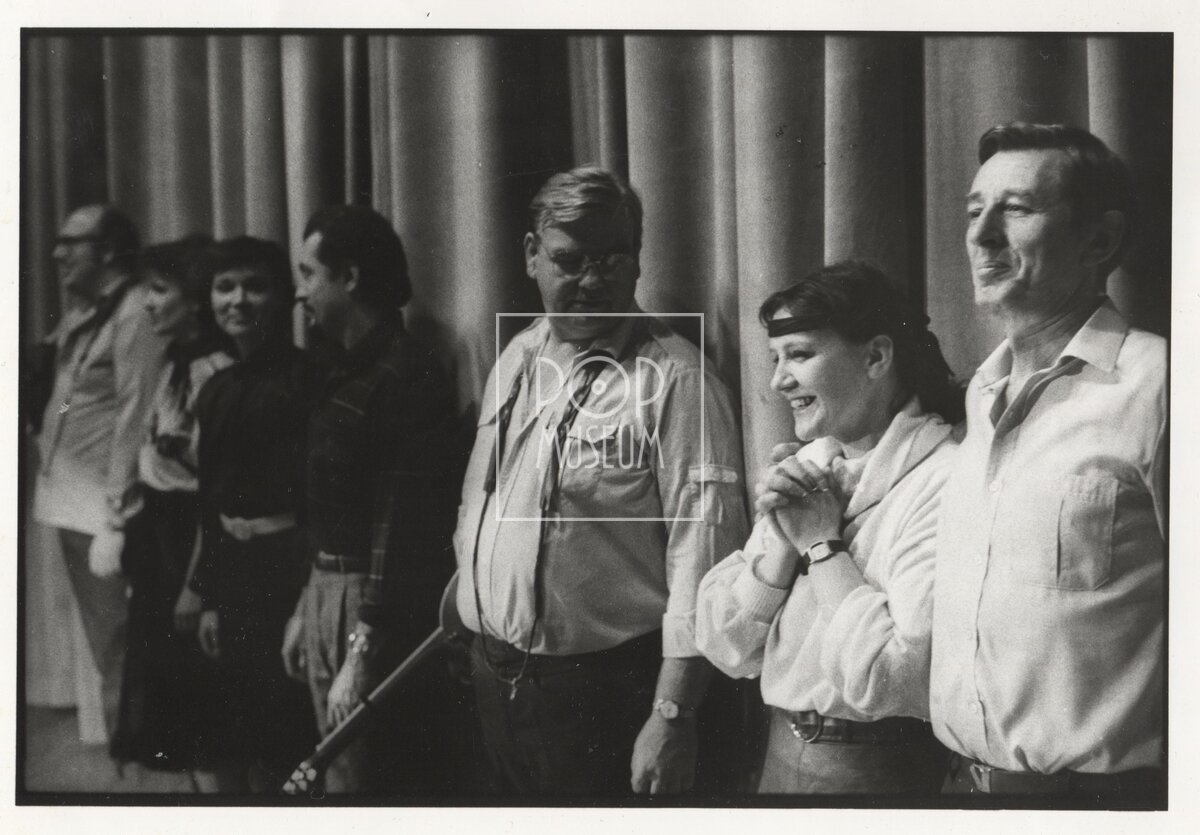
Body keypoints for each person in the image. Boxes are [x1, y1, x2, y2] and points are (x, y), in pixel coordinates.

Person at [452, 166, 749, 796]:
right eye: (570, 260)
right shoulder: (517, 356)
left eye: (613, 259)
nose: (592, 281)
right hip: (495, 677)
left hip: (604, 695)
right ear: (531, 256)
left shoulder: (678, 381)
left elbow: (704, 562)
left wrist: (672, 714)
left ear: (637, 261)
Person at [930, 123, 1165, 804]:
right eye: (975, 211)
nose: (981, 236)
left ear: (1099, 240)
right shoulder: (981, 393)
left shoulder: (1163, 385)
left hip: (1100, 804)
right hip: (957, 791)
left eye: (1017, 209)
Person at [694, 262, 961, 794]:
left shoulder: (945, 477)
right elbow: (726, 646)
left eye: (799, 354)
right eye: (776, 358)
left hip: (880, 773)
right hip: (779, 754)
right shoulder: (811, 465)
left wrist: (820, 544)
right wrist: (781, 547)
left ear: (876, 356)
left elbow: (892, 677)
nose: (778, 380)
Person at [280, 205, 462, 795]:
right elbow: (330, 511)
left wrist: (361, 653)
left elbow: (398, 529)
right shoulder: (343, 370)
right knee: (338, 778)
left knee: (365, 783)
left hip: (372, 609)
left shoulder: (406, 375)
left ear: (351, 277)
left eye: (309, 275)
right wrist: (306, 608)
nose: (300, 293)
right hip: (329, 593)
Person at [187, 236, 323, 792]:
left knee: (289, 734)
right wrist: (208, 597)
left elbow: (320, 503)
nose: (238, 300)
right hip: (235, 580)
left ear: (284, 297)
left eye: (255, 287)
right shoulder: (215, 390)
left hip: (287, 574)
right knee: (238, 729)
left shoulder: (310, 380)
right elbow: (211, 503)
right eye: (225, 287)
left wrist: (307, 602)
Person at [31, 204, 168, 742]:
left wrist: (117, 516)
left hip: (104, 509)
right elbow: (71, 397)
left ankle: (138, 764)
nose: (57, 253)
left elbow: (137, 415)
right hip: (72, 501)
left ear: (108, 251)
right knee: (107, 642)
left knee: (119, 646)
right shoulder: (88, 311)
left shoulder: (134, 311)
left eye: (72, 242)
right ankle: (127, 754)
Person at [109, 235, 234, 775]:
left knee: (199, 705)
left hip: (190, 543)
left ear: (196, 299)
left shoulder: (216, 373)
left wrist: (195, 583)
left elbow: (215, 490)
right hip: (158, 539)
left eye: (160, 290)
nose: (148, 303)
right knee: (165, 691)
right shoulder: (170, 364)